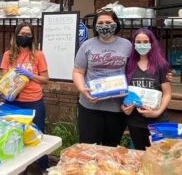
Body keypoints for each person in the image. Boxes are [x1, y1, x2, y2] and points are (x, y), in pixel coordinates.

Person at [73, 8, 132, 147]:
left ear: (116, 23)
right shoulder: (87, 45)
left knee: (110, 148)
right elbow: (78, 71)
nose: (104, 25)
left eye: (108, 22)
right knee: (88, 147)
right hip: (90, 106)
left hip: (116, 107)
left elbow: (134, 71)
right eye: (101, 22)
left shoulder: (127, 45)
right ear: (95, 25)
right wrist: (82, 89)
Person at [0, 22, 49, 174]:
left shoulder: (38, 55)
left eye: (29, 34)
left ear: (32, 37)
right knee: (14, 136)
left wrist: (30, 75)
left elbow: (45, 79)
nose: (25, 37)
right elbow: (4, 81)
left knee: (38, 135)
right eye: (22, 34)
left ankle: (43, 168)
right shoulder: (8, 55)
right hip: (14, 102)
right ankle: (18, 168)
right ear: (16, 35)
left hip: (34, 101)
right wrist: (5, 92)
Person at [122, 28, 171, 150]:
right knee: (139, 154)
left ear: (151, 43)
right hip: (135, 121)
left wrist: (157, 112)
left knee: (158, 155)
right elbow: (124, 91)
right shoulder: (128, 65)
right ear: (133, 44)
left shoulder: (160, 65)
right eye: (138, 42)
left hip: (157, 120)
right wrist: (124, 107)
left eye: (145, 42)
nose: (141, 45)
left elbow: (167, 93)